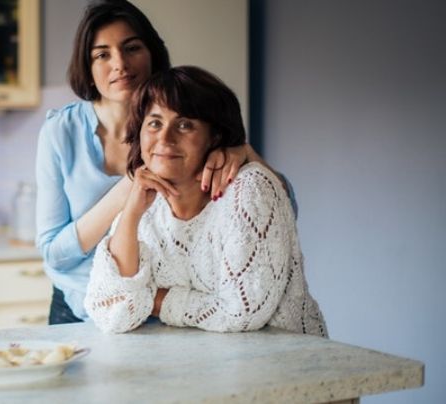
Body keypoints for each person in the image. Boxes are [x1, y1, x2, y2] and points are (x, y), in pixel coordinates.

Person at [36, 0, 291, 325]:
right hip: (82, 308)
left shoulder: (188, 122)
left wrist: (243, 152)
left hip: (172, 309)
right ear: (87, 66)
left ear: (153, 54)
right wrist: (132, 186)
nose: (120, 64)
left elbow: (282, 208)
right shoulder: (60, 132)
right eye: (102, 54)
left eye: (132, 48)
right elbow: (54, 254)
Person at [84, 66, 327, 336]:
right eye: (154, 123)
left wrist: (153, 299)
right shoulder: (145, 206)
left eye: (185, 125)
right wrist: (130, 214)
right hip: (202, 366)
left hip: (287, 365)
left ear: (216, 135)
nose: (165, 138)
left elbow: (242, 313)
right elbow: (109, 312)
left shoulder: (249, 188)